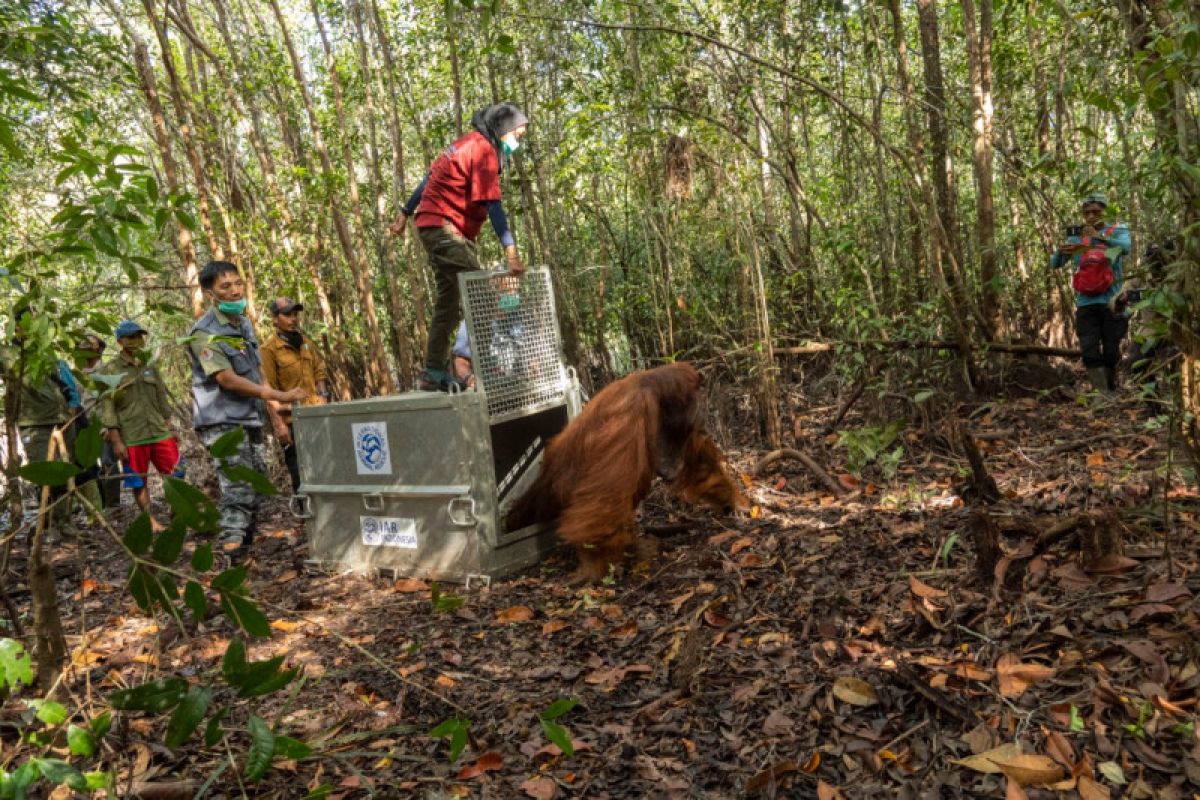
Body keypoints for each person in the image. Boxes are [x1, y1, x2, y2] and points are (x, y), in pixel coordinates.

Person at [388, 102, 529, 392]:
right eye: (517, 135)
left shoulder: (464, 145)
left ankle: (432, 372)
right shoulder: (483, 151)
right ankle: (469, 366)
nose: (518, 142)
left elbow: (428, 180)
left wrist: (404, 213)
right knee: (481, 292)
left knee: (449, 304)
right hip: (443, 227)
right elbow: (493, 205)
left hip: (433, 226)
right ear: (503, 130)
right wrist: (511, 251)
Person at [187, 261, 305, 559]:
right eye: (225, 286)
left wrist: (275, 414)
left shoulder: (243, 324)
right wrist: (278, 393)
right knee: (238, 489)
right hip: (222, 421)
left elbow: (256, 372)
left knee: (257, 484)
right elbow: (226, 379)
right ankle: (231, 556)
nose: (235, 290)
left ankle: (245, 548)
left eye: (237, 283)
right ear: (209, 292)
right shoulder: (203, 333)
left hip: (248, 417)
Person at [98, 320, 184, 531]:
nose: (137, 341)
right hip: (132, 435)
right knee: (139, 481)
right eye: (131, 337)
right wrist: (116, 440)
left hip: (158, 430)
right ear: (120, 341)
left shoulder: (149, 365)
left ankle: (177, 511)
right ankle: (151, 522)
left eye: (140, 336)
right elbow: (107, 406)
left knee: (177, 472)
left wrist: (170, 426)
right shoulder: (110, 370)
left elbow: (161, 396)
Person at [1050, 193, 1132, 393]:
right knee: (1089, 349)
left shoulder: (1117, 230)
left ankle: (1111, 388)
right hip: (1086, 302)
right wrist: (1062, 250)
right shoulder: (1077, 236)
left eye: (1096, 211)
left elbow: (1126, 248)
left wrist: (1100, 238)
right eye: (1087, 212)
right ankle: (1101, 393)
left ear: (1105, 211)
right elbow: (1055, 264)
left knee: (1112, 349)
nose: (1091, 216)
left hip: (1112, 300)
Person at [259, 297, 329, 491]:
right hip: (292, 421)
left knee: (325, 469)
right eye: (287, 315)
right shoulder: (268, 350)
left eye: (295, 314)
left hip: (316, 415)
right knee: (301, 473)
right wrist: (279, 424)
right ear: (274, 319)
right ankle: (307, 515)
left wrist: (323, 395)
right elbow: (268, 390)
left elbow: (319, 371)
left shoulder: (305, 342)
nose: (293, 319)